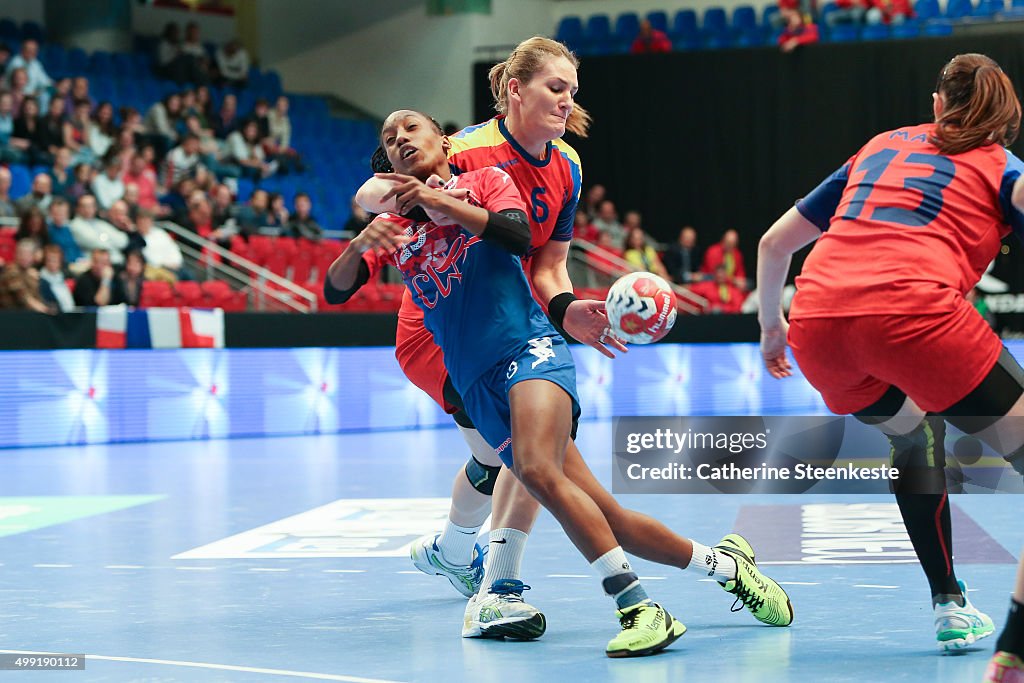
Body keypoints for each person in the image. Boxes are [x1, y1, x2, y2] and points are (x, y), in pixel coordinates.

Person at [327, 109, 793, 657]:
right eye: (390, 137)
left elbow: (514, 234)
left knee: (537, 472)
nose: (401, 139)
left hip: (530, 351)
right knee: (609, 516)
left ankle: (639, 607)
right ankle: (726, 567)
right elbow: (338, 290)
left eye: (411, 128)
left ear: (443, 141)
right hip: (477, 381)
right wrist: (360, 245)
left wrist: (439, 200)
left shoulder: (483, 182)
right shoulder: (400, 231)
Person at [756, 53, 1021, 653]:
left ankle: (949, 602)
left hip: (819, 326)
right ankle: (1015, 637)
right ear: (1005, 122)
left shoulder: (879, 146)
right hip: (917, 318)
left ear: (936, 105)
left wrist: (774, 329)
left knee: (916, 435)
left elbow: (775, 244)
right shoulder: (1003, 166)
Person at [386, 38, 615, 636]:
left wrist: (567, 308)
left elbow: (546, 265)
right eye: (555, 88)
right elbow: (385, 199)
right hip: (439, 326)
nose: (567, 102)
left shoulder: (568, 165)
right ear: (516, 89)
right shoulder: (464, 152)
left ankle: (454, 551)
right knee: (525, 447)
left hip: (510, 320)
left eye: (572, 92)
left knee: (500, 456)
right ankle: (497, 587)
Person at [38, 244, 74, 312]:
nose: (52, 264)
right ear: (44, 261)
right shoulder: (40, 280)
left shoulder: (63, 277)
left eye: (55, 261)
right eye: (49, 260)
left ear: (60, 262)